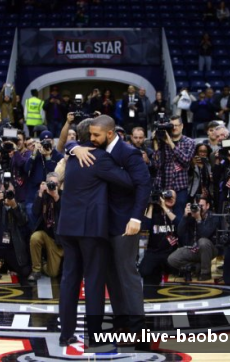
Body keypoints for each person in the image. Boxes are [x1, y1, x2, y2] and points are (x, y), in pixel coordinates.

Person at [72, 115, 151, 342]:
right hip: (102, 223)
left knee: (127, 273)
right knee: (111, 276)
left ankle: (138, 328)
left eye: (96, 135)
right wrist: (73, 148)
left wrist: (136, 217)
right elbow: (67, 146)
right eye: (90, 135)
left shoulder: (128, 152)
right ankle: (122, 323)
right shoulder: (97, 148)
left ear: (109, 133)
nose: (92, 139)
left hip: (126, 223)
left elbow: (144, 185)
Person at [57, 118, 135, 346]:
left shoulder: (72, 156)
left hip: (67, 227)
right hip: (90, 229)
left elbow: (64, 147)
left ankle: (65, 335)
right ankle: (93, 336)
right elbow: (129, 181)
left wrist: (73, 146)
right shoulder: (100, 158)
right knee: (93, 282)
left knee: (69, 281)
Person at [151, 116, 196, 220]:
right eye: (172, 125)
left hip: (180, 188)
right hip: (162, 185)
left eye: (176, 125)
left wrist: (170, 143)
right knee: (160, 219)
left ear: (182, 126)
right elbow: (157, 165)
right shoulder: (161, 140)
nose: (174, 128)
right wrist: (155, 142)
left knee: (179, 219)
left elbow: (186, 160)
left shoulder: (189, 142)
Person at [168, 196, 220, 281]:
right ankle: (196, 267)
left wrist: (198, 219)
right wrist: (185, 216)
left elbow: (205, 234)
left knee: (202, 241)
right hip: (193, 249)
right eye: (197, 205)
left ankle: (205, 273)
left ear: (208, 206)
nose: (199, 208)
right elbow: (180, 233)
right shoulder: (191, 215)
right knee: (172, 259)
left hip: (209, 249)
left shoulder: (213, 217)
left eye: (201, 206)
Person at [24, 131, 63, 229]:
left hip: (50, 192)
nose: (46, 144)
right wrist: (33, 154)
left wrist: (48, 157)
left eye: (49, 141)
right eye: (44, 142)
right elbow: (26, 169)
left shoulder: (58, 156)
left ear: (53, 142)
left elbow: (54, 174)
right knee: (30, 213)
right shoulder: (36, 154)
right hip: (34, 192)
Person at [28, 173, 64, 281]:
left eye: (55, 184)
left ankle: (44, 264)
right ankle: (36, 270)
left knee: (52, 273)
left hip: (58, 239)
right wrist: (40, 193)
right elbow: (35, 212)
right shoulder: (42, 194)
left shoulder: (62, 195)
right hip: (46, 234)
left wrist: (56, 197)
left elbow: (65, 213)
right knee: (35, 237)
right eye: (51, 183)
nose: (53, 186)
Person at [140, 191, 178, 285]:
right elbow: (145, 228)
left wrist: (164, 207)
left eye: (172, 197)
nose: (169, 199)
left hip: (171, 252)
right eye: (167, 196)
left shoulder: (178, 211)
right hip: (154, 251)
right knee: (144, 271)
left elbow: (178, 224)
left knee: (175, 270)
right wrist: (151, 205)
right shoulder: (154, 212)